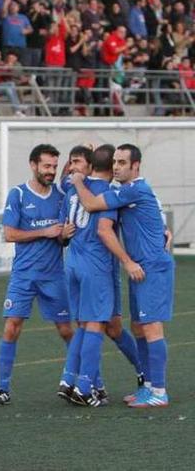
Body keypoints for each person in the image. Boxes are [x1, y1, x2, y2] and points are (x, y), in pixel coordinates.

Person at [68, 144, 175, 407]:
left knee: (151, 327)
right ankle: (148, 386)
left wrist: (80, 180)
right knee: (139, 327)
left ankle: (159, 392)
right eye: (114, 162)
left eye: (122, 162)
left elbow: (91, 203)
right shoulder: (125, 191)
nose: (116, 166)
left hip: (151, 266)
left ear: (136, 166)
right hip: (140, 266)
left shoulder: (136, 189)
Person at [0, 144, 74, 406]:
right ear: (33, 165)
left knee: (68, 331)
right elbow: (10, 234)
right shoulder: (18, 195)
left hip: (54, 276)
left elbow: (62, 239)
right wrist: (45, 232)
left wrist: (63, 236)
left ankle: (74, 381)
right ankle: (2, 388)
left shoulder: (61, 197)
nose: (51, 171)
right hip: (23, 276)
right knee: (12, 327)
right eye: (46, 166)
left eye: (54, 167)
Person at [57, 144, 119, 407]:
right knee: (95, 324)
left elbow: (63, 230)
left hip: (71, 263)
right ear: (112, 167)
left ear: (91, 165)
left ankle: (68, 379)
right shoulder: (108, 192)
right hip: (95, 265)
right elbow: (106, 230)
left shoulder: (72, 188)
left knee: (83, 324)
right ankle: (84, 388)